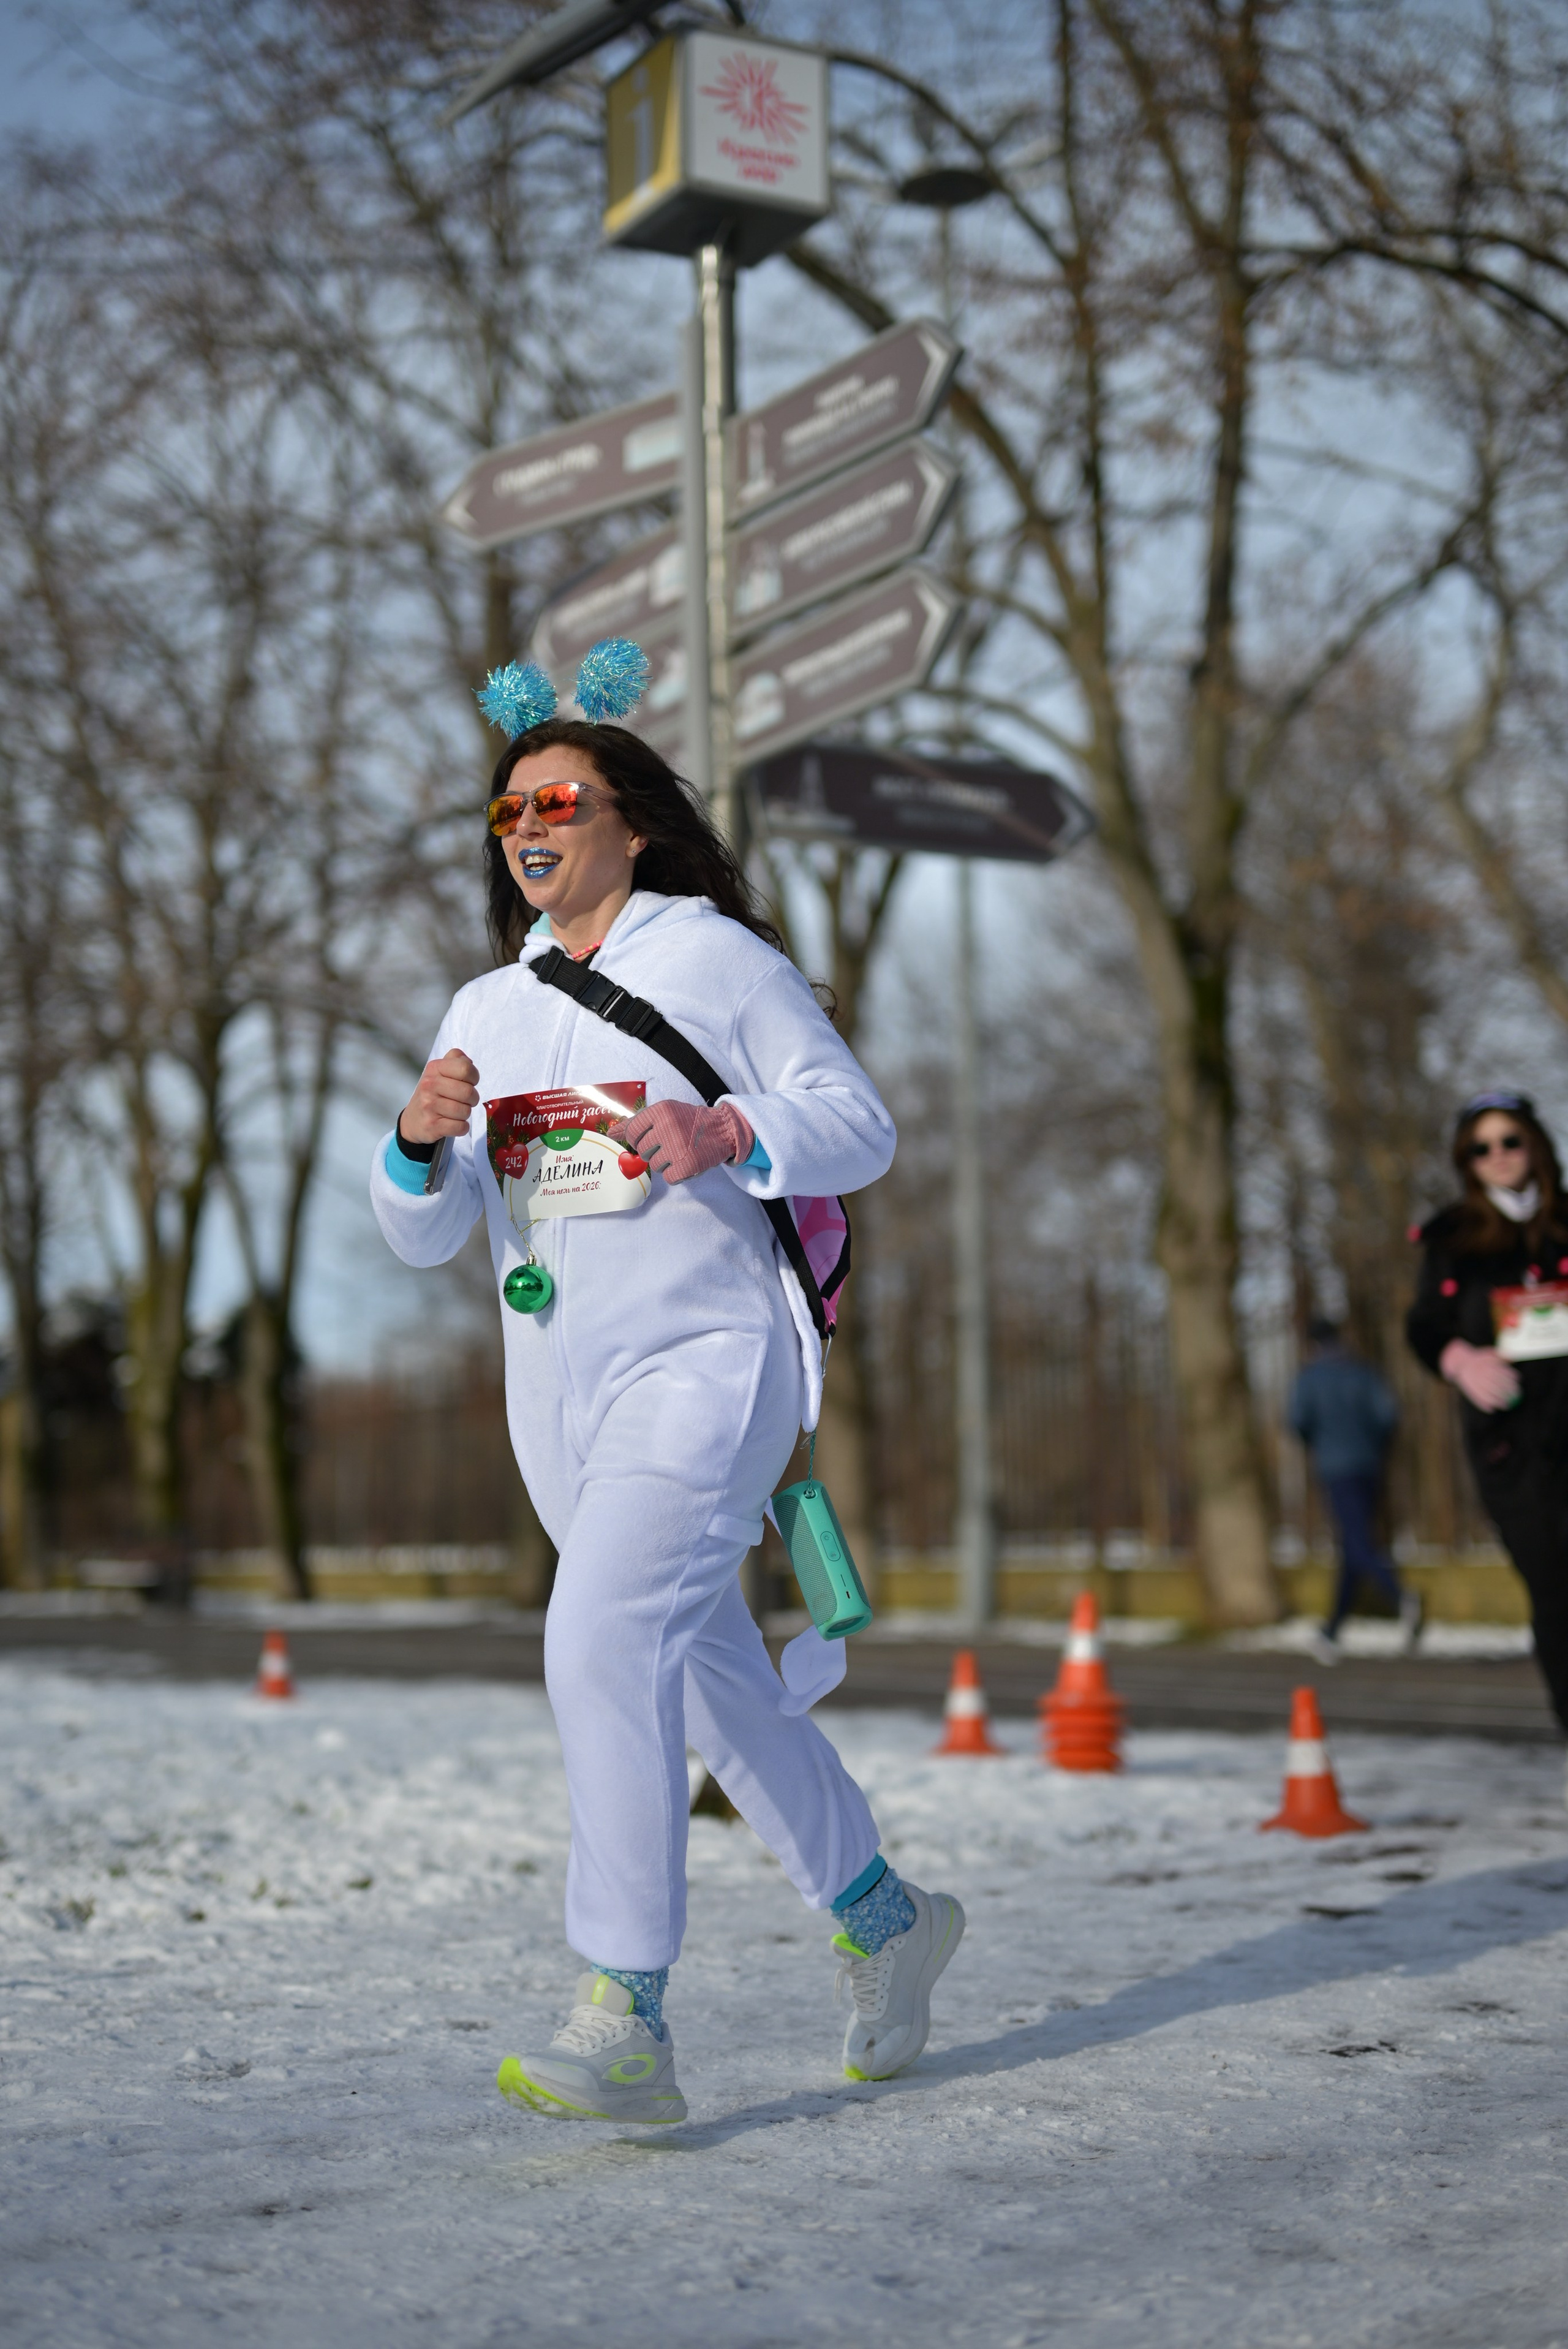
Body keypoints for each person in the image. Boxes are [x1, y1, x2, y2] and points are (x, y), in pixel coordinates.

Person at [370, 645, 963, 2124]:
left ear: (625, 817)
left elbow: (857, 1122)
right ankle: (889, 1918)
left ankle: (622, 2011)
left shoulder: (714, 961)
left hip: (709, 1366)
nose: (524, 825)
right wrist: (413, 1139)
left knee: (594, 1632)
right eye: (504, 809)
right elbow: (428, 1230)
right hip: (554, 1404)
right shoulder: (484, 1010)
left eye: (554, 796)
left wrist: (728, 1135)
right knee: (710, 1689)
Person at [1406, 1090, 1568, 1785]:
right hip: (1511, 1447)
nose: (1499, 1156)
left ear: (1534, 1145)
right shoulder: (1451, 1238)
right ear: (1465, 1162)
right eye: (1482, 1147)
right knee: (1556, 1590)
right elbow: (1424, 1326)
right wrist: (1459, 1359)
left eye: (1510, 1141)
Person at [1287, 1317, 1419, 1663]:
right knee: (1352, 1543)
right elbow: (1387, 1415)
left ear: (1313, 1344)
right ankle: (1332, 1631)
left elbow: (1298, 1421)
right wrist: (1371, 1446)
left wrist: (1321, 1443)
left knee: (1358, 1543)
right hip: (1369, 1465)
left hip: (1335, 1468)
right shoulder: (1363, 1372)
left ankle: (1401, 1596)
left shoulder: (1310, 1377)